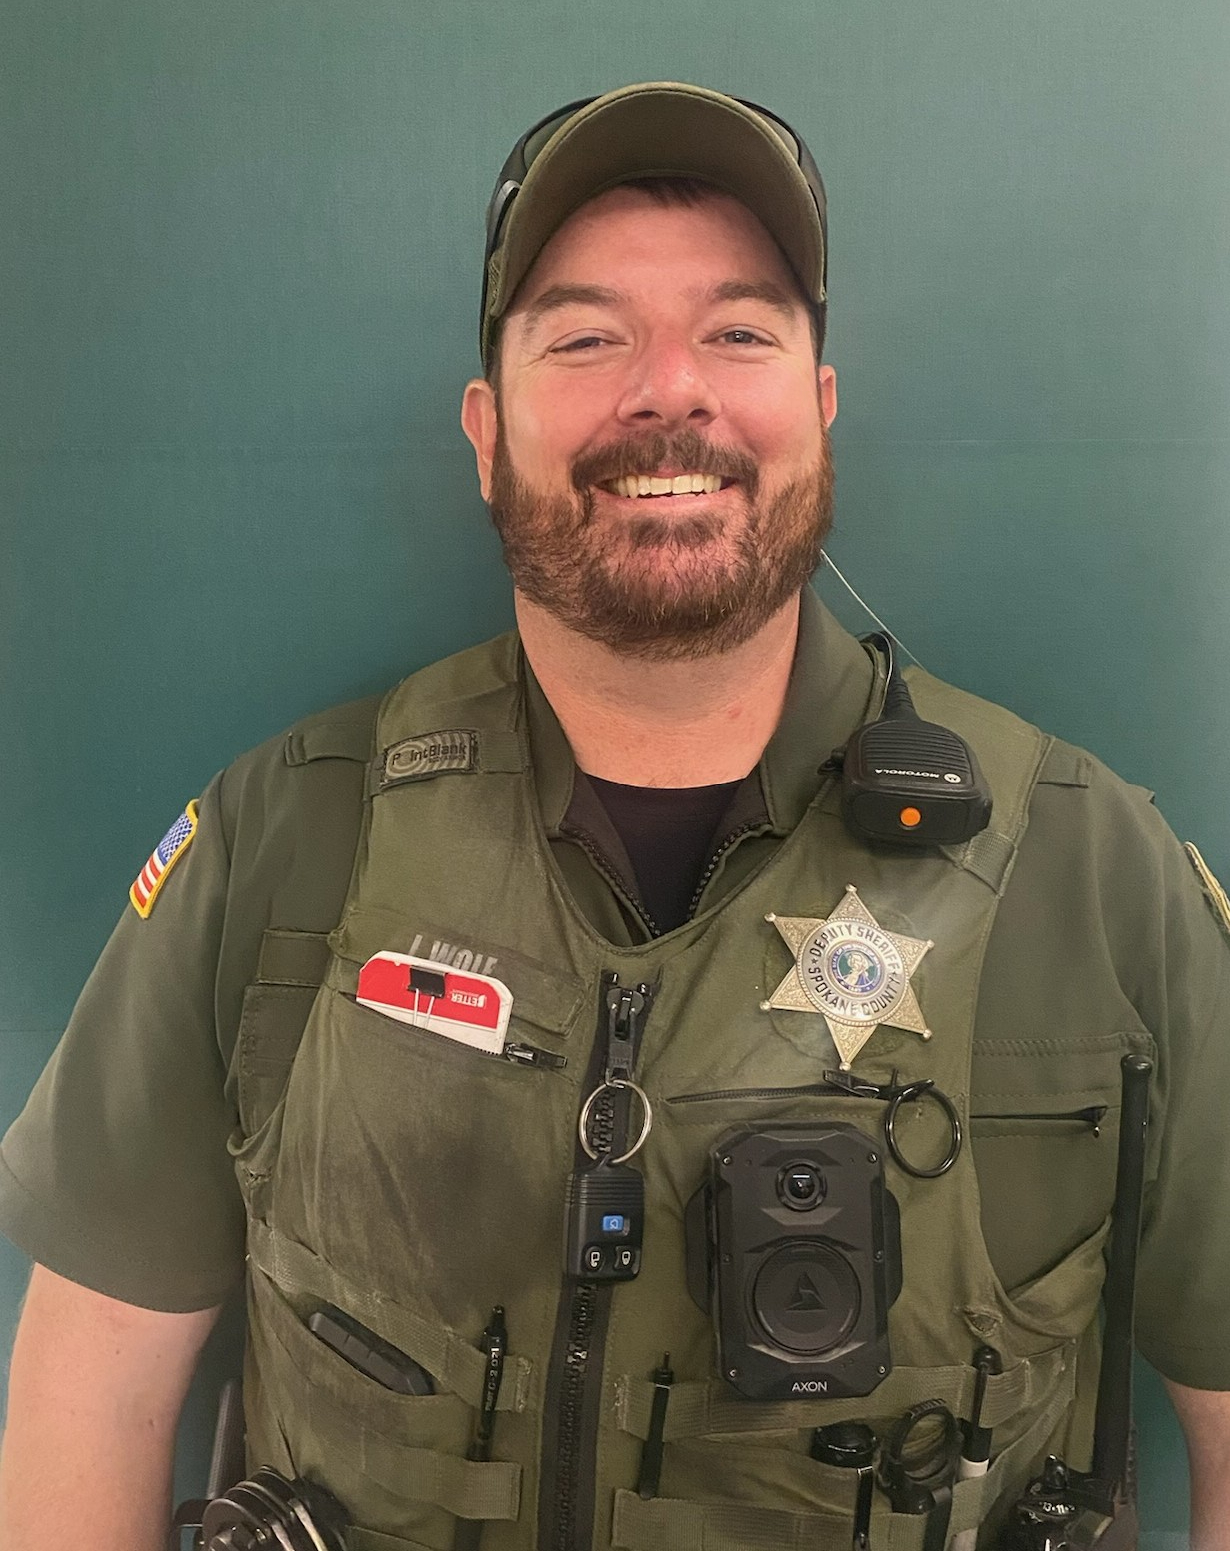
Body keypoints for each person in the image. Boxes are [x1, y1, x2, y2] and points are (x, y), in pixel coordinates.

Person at [1, 80, 1229, 1551]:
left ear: (819, 406)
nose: (669, 390)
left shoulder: (1092, 873)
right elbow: (94, 1389)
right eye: (585, 337)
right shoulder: (280, 841)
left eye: (738, 332)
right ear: (485, 428)